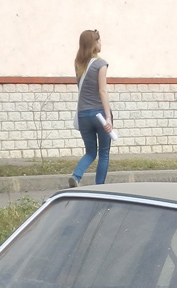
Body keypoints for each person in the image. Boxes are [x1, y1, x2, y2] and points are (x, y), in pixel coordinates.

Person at [68, 29, 114, 187]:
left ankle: (76, 176)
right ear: (94, 44)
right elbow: (102, 91)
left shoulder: (78, 64)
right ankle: (99, 186)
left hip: (83, 115)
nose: (101, 43)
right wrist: (108, 117)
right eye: (99, 41)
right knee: (104, 153)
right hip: (99, 114)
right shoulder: (101, 64)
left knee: (90, 152)